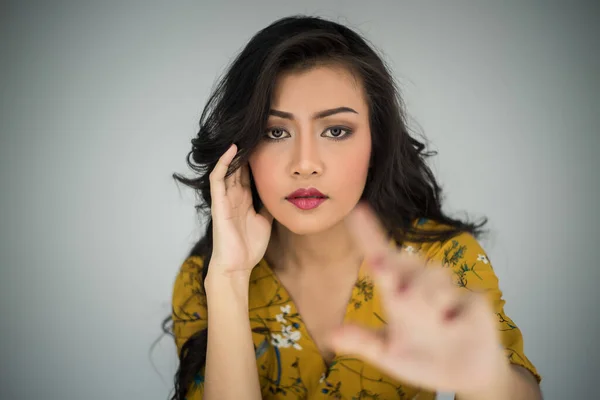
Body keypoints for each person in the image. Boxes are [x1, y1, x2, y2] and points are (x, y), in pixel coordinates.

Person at [166, 15, 542, 400]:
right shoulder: (205, 278)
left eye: (336, 131)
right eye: (275, 132)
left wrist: (486, 379)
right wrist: (229, 279)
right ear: (242, 147)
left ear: (375, 143)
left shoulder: (440, 259)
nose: (305, 163)